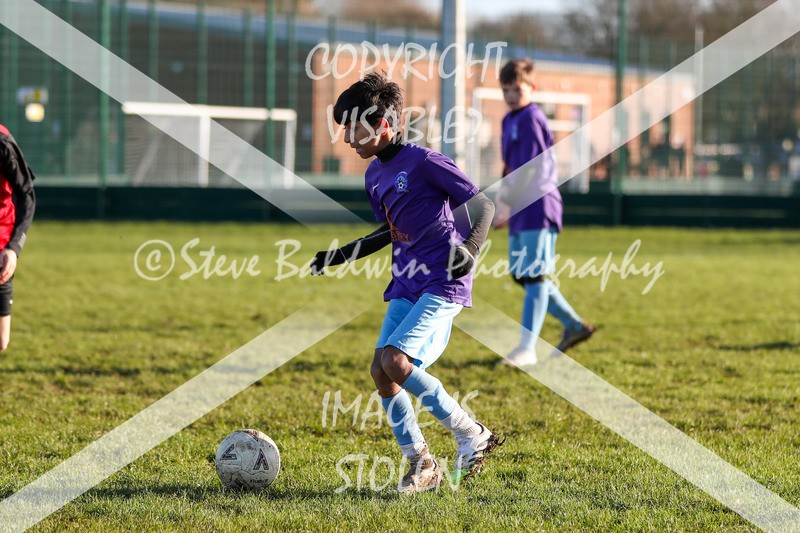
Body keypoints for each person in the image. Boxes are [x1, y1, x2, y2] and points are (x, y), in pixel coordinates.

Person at [309, 73, 502, 493]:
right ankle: (422, 463)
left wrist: (469, 249)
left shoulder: (425, 162)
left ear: (383, 125)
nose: (346, 140)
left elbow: (483, 204)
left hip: (443, 281)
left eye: (353, 129)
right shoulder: (374, 175)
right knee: (381, 371)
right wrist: (342, 254)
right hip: (406, 283)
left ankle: (472, 434)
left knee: (396, 361)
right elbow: (388, 230)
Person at [492, 59, 595, 367]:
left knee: (534, 276)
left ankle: (526, 348)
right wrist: (502, 197)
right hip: (520, 205)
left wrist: (507, 202)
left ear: (531, 88)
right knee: (522, 275)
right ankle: (574, 326)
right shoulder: (508, 120)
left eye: (517, 89)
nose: (511, 95)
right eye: (506, 90)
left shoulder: (532, 118)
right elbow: (510, 166)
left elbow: (530, 167)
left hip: (538, 203)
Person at [0, 123, 36, 351]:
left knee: (1, 341)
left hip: (1, 246)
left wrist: (14, 248)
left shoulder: (3, 142)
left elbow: (26, 194)